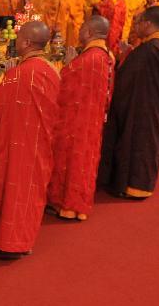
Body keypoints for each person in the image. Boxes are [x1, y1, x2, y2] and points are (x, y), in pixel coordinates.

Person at [0, 21, 60, 260]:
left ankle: (9, 245)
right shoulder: (50, 69)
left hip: (16, 147)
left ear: (25, 42)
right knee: (30, 193)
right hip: (39, 144)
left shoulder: (21, 74)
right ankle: (25, 240)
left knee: (11, 191)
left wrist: (9, 78)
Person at [98, 7, 159, 199]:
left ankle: (132, 185)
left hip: (139, 104)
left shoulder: (150, 49)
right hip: (155, 103)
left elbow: (127, 76)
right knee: (149, 142)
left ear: (147, 23)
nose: (135, 27)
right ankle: (142, 185)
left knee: (135, 141)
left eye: (137, 23)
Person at [46, 16, 114, 221]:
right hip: (91, 121)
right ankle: (78, 207)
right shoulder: (107, 55)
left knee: (71, 160)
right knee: (85, 160)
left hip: (75, 122)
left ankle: (67, 206)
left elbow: (63, 87)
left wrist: (67, 66)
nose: (79, 31)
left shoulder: (87, 59)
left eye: (82, 28)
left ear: (89, 32)